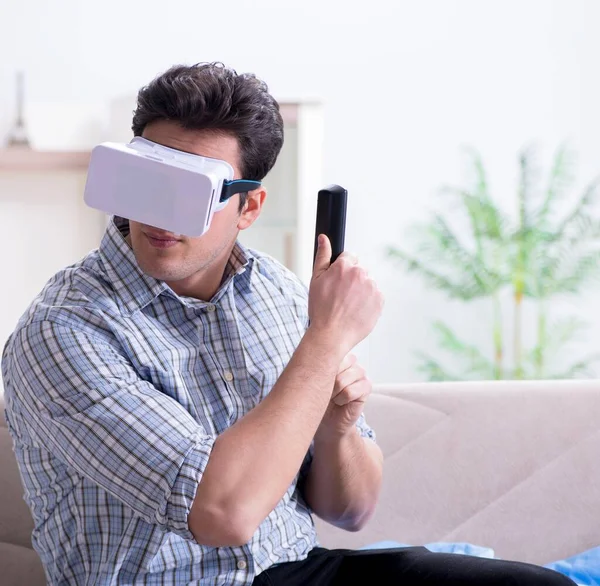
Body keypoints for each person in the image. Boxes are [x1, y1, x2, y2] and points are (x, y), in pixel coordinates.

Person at [1, 62, 574, 586]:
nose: (156, 215)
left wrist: (338, 426)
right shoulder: (62, 331)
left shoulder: (275, 290)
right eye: (148, 179)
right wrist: (326, 342)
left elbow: (351, 510)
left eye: (190, 192)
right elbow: (223, 513)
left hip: (296, 571)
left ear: (248, 208)